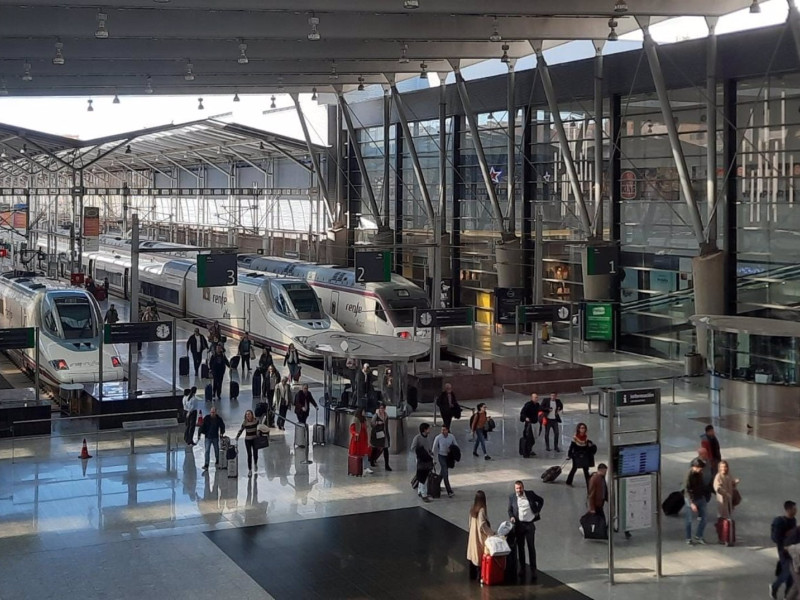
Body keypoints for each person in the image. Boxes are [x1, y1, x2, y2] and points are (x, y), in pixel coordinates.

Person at [508, 480, 544, 581]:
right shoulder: (512, 497)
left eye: (520, 488)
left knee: (531, 547)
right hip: (519, 525)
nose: (518, 490)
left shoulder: (530, 494)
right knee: (521, 548)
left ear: (523, 488)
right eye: (517, 489)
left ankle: (533, 570)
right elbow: (509, 510)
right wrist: (511, 517)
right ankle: (522, 568)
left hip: (529, 525)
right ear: (515, 489)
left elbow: (541, 500)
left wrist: (537, 510)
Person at [771, 501, 799, 599]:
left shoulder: (793, 520)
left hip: (793, 550)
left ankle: (787, 595)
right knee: (788, 572)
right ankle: (775, 587)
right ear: (788, 510)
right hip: (783, 551)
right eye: (794, 509)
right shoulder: (780, 522)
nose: (796, 511)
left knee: (791, 575)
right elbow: (776, 538)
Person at [466, 490, 494, 580]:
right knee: (479, 555)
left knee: (472, 555)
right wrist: (492, 533)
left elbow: (470, 523)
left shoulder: (472, 508)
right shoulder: (482, 510)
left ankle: (472, 575)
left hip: (472, 535)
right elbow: (483, 525)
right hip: (479, 536)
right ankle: (479, 577)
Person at [684, 457, 709, 544]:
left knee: (704, 518)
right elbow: (686, 490)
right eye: (699, 468)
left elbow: (702, 486)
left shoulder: (700, 473)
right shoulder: (689, 475)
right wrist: (691, 503)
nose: (700, 469)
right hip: (691, 499)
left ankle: (699, 536)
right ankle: (688, 538)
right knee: (689, 520)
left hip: (700, 497)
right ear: (694, 466)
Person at [566, 423, 597, 488]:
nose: (582, 429)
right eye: (581, 428)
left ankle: (588, 484)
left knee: (585, 470)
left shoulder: (586, 438)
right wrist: (569, 455)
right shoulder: (575, 438)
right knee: (574, 468)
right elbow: (571, 447)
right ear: (578, 429)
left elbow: (590, 447)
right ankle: (569, 481)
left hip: (584, 455)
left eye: (584, 428)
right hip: (576, 455)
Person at [432, 424, 458, 497]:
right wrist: (433, 459)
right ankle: (449, 491)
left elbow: (456, 445)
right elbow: (434, 449)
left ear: (447, 430)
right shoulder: (438, 437)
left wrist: (453, 451)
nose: (443, 431)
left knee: (443, 472)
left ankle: (437, 485)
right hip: (441, 456)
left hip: (448, 457)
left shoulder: (451, 437)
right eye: (442, 430)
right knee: (445, 472)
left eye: (444, 430)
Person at [411, 423, 434, 502]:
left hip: (427, 459)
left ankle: (420, 491)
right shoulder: (417, 438)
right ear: (424, 429)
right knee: (424, 477)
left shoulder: (427, 438)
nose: (429, 430)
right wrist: (421, 453)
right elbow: (413, 448)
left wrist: (430, 452)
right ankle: (424, 494)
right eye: (428, 428)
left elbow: (428, 448)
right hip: (421, 460)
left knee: (422, 476)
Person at [199, 406, 225, 471]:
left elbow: (222, 426)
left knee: (216, 450)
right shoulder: (206, 418)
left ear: (216, 412)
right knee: (207, 451)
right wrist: (199, 434)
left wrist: (222, 433)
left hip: (215, 437)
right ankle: (206, 464)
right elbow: (202, 426)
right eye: (211, 412)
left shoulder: (218, 419)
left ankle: (218, 460)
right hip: (208, 437)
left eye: (213, 412)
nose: (212, 413)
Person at [236, 409, 260, 477]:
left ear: (252, 415)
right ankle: (250, 470)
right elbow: (241, 430)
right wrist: (237, 436)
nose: (248, 416)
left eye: (249, 414)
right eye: (246, 415)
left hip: (255, 440)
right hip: (248, 440)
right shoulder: (245, 423)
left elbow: (259, 428)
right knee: (249, 455)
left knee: (255, 453)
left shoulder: (256, 421)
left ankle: (255, 463)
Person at [369, 402, 392, 471]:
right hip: (378, 435)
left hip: (384, 435)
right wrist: (377, 423)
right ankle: (372, 460)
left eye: (383, 408)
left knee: (385, 449)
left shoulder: (386, 416)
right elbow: (372, 423)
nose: (382, 410)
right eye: (381, 408)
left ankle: (386, 465)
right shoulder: (376, 415)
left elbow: (386, 427)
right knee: (375, 448)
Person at [349, 408, 372, 474]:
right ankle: (356, 467)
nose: (364, 412)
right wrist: (355, 433)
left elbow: (366, 427)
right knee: (357, 454)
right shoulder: (355, 420)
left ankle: (366, 467)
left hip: (364, 439)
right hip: (357, 440)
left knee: (365, 453)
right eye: (363, 411)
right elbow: (351, 429)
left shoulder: (364, 419)